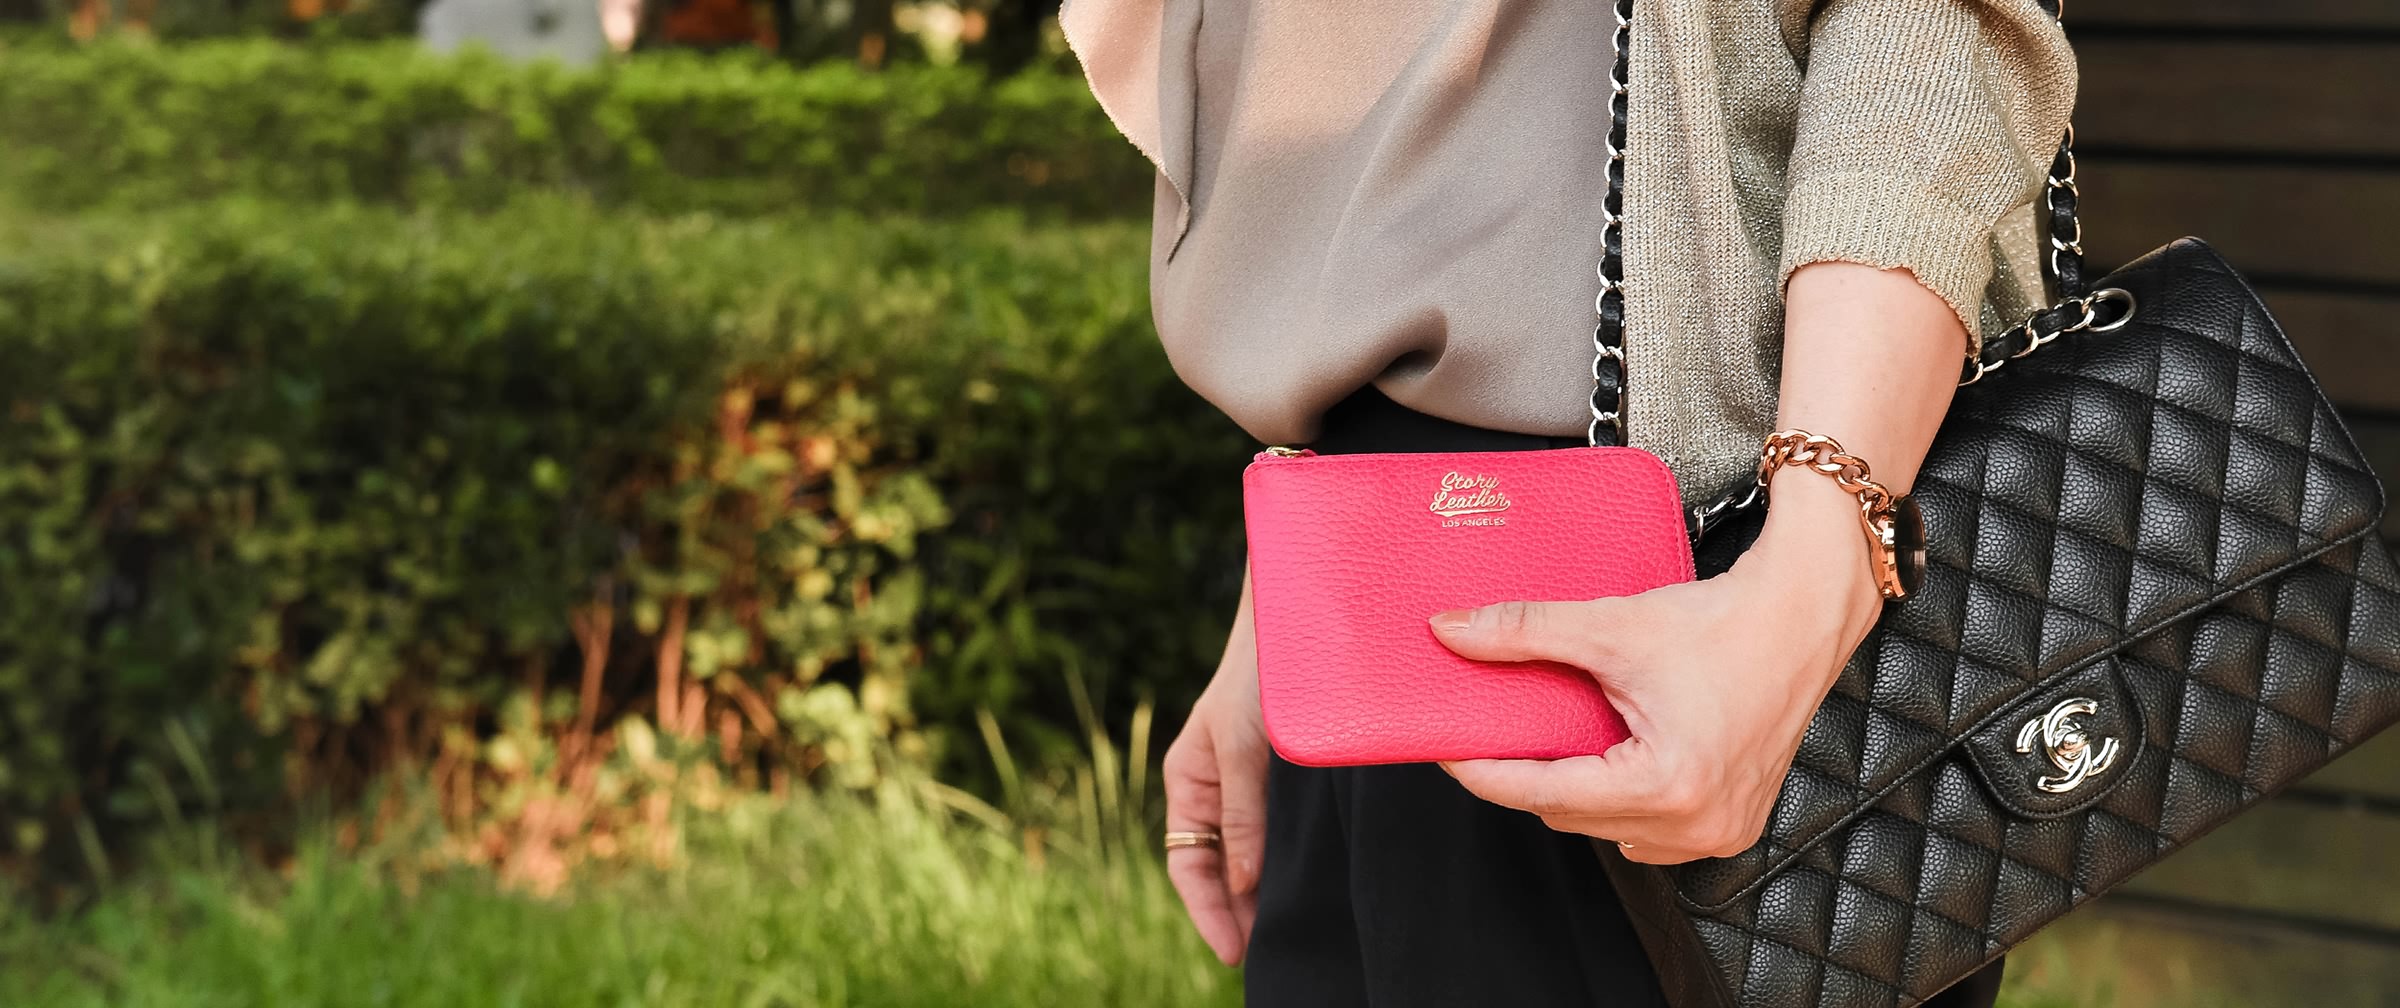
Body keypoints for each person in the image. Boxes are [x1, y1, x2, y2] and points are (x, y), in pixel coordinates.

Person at [1063, 0, 2075, 1003]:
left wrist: (1808, 588)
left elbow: (1925, 32)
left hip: (1717, 579)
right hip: (1370, 586)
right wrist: (1289, 603)